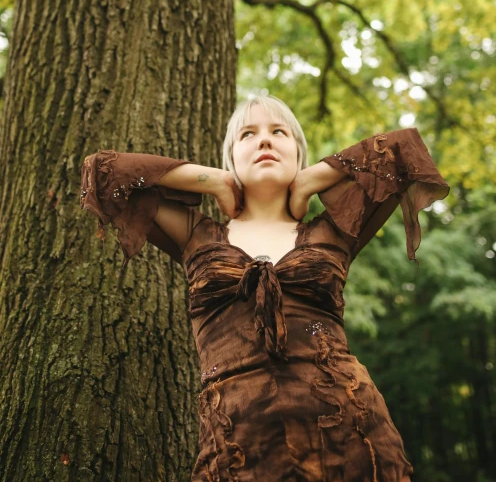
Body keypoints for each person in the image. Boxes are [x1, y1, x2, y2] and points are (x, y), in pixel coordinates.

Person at [80, 94, 449, 481]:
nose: (265, 141)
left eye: (279, 132)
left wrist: (313, 179)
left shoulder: (332, 231)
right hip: (238, 447)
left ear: (298, 153)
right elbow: (103, 175)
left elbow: (404, 151)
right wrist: (215, 181)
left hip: (351, 436)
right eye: (248, 134)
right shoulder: (196, 235)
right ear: (232, 158)